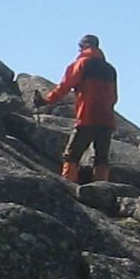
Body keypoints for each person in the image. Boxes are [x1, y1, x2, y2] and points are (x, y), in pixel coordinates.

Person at [41, 34, 119, 184]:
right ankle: (101, 188)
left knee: (71, 156)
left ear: (83, 46)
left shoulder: (82, 63)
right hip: (107, 120)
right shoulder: (110, 69)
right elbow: (114, 97)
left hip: (87, 116)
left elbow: (65, 86)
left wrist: (46, 100)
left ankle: (68, 186)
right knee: (101, 158)